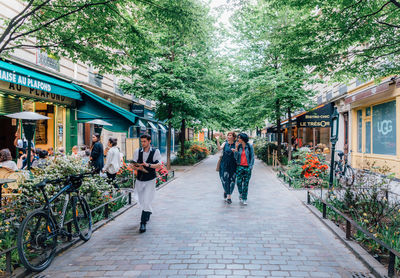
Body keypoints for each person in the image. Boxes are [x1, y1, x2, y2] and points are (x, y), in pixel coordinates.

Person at [131, 134, 162, 233]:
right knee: (140, 200)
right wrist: (137, 167)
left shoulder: (155, 151)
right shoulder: (137, 151)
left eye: (144, 141)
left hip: (150, 179)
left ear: (149, 141)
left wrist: (148, 165)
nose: (142, 143)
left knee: (147, 199)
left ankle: (143, 223)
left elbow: (158, 165)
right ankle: (148, 212)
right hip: (139, 179)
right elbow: (132, 165)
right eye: (142, 141)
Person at [233, 133, 254, 205]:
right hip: (239, 166)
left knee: (246, 183)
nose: (238, 139)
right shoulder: (238, 146)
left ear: (243, 139)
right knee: (238, 182)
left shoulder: (249, 146)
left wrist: (250, 167)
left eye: (239, 138)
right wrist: (236, 149)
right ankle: (241, 193)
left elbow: (252, 157)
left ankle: (244, 198)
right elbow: (235, 157)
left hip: (247, 167)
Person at [216, 132, 237, 204]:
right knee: (224, 179)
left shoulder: (236, 144)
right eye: (228, 135)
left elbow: (239, 154)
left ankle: (229, 196)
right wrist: (217, 140)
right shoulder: (225, 144)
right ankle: (227, 192)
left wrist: (235, 152)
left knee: (232, 180)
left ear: (234, 137)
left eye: (230, 135)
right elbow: (219, 148)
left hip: (233, 164)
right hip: (224, 164)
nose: (228, 136)